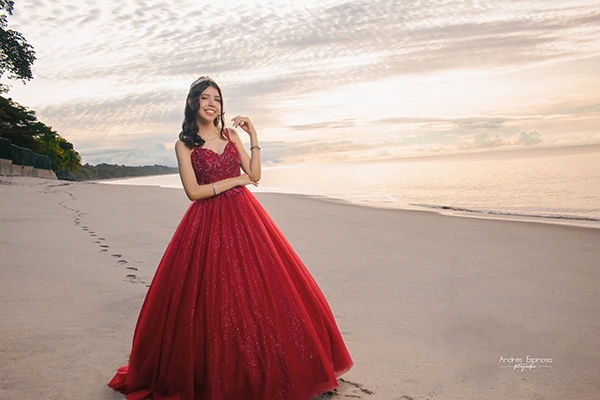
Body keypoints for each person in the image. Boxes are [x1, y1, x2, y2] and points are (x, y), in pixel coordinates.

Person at [107, 76, 353, 399]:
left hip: (246, 219)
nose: (212, 104)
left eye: (217, 99)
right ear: (193, 103)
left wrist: (253, 137)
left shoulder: (231, 135)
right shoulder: (184, 145)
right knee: (213, 297)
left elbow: (254, 175)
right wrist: (234, 181)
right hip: (206, 222)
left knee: (264, 291)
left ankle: (275, 366)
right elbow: (194, 192)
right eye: (205, 98)